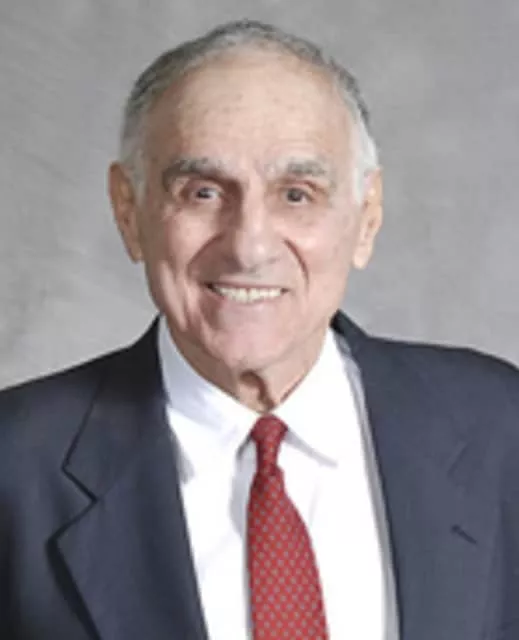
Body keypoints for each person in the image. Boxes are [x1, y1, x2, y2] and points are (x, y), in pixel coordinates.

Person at [1, 18, 519, 640]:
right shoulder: (15, 467)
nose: (249, 247)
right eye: (202, 192)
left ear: (367, 218)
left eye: (296, 194)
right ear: (128, 211)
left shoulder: (499, 427)